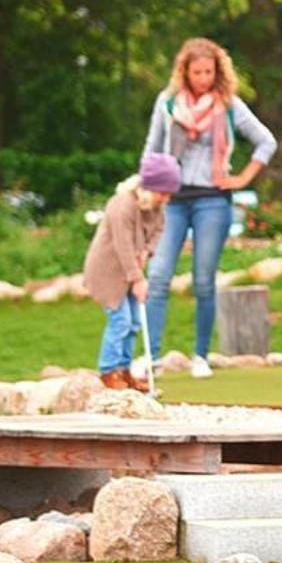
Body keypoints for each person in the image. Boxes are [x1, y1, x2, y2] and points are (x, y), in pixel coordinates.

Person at [138, 37, 278, 380]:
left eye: (209, 72)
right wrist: (145, 190)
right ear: (184, 72)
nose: (203, 78)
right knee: (158, 276)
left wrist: (243, 177)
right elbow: (152, 148)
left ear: (218, 73)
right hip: (171, 200)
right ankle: (149, 354)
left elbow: (266, 141)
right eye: (197, 72)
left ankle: (200, 355)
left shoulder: (228, 105)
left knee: (203, 280)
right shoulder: (168, 103)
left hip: (213, 200)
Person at [84, 154, 178, 391]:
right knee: (121, 320)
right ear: (151, 186)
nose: (167, 198)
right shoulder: (122, 204)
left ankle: (124, 372)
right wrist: (137, 279)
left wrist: (147, 251)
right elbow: (123, 246)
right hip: (108, 270)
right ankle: (108, 372)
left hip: (131, 267)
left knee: (135, 321)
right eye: (163, 192)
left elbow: (159, 229)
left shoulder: (156, 207)